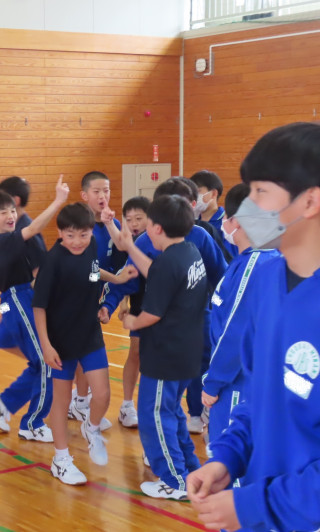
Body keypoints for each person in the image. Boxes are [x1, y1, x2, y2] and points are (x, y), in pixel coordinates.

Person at [187, 122, 320, 531]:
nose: (246, 209)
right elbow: (258, 393)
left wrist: (255, 506)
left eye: (260, 192)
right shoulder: (265, 280)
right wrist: (229, 456)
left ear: (310, 201)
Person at [100, 178, 228, 436]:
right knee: (151, 374)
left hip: (185, 320)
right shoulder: (151, 243)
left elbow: (221, 276)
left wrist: (224, 311)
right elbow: (130, 276)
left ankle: (195, 414)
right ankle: (137, 411)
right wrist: (110, 303)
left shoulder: (197, 239)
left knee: (193, 370)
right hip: (159, 323)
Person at [112, 195, 209, 500]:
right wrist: (130, 248)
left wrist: (132, 321)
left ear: (155, 228)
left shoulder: (169, 262)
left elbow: (152, 314)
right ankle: (189, 469)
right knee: (171, 412)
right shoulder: (189, 251)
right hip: (187, 351)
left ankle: (173, 480)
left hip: (165, 354)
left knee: (154, 415)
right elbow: (157, 271)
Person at [33, 203, 137, 484]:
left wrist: (116, 279)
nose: (77, 241)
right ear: (60, 233)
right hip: (60, 341)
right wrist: (46, 345)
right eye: (70, 236)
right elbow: (39, 307)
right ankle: (61, 459)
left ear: (92, 232)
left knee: (102, 394)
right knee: (62, 399)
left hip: (90, 333)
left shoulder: (91, 247)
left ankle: (91, 429)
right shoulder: (52, 262)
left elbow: (94, 271)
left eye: (83, 235)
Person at [0, 177, 69, 443]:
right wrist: (58, 201)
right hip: (18, 300)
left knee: (40, 362)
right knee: (47, 362)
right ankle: (32, 423)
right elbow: (34, 228)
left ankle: (5, 403)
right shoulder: (5, 241)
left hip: (17, 300)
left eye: (11, 210)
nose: (10, 216)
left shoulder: (3, 240)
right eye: (2, 212)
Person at [201, 184, 280, 452]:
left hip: (238, 384)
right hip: (250, 381)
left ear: (236, 221)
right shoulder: (258, 258)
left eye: (226, 217)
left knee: (230, 460)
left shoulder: (253, 267)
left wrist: (213, 383)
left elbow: (235, 334)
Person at [68, 171, 123, 429]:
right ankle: (78, 402)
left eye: (107, 190)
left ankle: (79, 401)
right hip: (72, 298)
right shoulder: (79, 227)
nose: (103, 196)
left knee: (83, 351)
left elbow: (122, 259)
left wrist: (111, 303)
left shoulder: (113, 225)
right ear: (84, 195)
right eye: (97, 191)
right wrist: (117, 280)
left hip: (93, 299)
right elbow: (88, 267)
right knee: (80, 352)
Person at [114, 195, 151, 428]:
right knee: (135, 353)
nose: (134, 223)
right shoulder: (129, 244)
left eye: (139, 218)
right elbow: (125, 276)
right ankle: (127, 405)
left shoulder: (159, 242)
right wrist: (123, 303)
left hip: (160, 306)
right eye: (129, 219)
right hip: (139, 304)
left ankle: (152, 407)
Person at [0, 176, 46, 272]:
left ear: (15, 201)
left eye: (2, 198)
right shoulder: (12, 226)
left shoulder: (27, 230)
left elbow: (39, 269)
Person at [190, 170, 238, 258]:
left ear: (213, 193)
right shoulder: (193, 224)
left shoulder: (227, 223)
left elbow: (231, 258)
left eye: (198, 192)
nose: (194, 197)